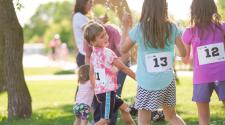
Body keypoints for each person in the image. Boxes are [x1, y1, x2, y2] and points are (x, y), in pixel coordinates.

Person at [120, 0, 186, 124]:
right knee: (172, 116)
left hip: (147, 83)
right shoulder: (172, 27)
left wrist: (125, 26)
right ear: (164, 8)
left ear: (146, 8)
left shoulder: (141, 28)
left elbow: (123, 49)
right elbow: (183, 53)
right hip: (168, 80)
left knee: (143, 121)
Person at [182, 0, 225, 124]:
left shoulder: (189, 31)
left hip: (202, 77)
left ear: (193, 10)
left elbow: (185, 60)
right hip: (223, 75)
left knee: (203, 118)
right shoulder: (222, 27)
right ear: (213, 8)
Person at [84, 22, 136, 125]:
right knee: (105, 120)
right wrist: (138, 78)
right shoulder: (107, 53)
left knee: (126, 108)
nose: (106, 37)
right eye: (102, 37)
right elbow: (123, 68)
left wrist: (96, 91)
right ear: (93, 42)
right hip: (107, 92)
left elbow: (91, 74)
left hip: (103, 92)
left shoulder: (94, 54)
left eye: (105, 34)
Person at [72, 0, 93, 67]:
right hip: (84, 55)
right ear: (83, 3)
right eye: (89, 2)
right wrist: (99, 22)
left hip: (86, 54)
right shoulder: (78, 16)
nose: (91, 5)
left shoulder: (83, 17)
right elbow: (89, 31)